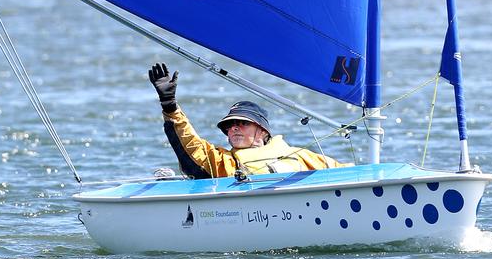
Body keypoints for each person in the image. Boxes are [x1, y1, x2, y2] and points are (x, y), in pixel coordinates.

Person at [149, 62, 348, 179]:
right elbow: (192, 146)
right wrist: (169, 105)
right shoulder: (224, 161)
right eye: (229, 126)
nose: (233, 128)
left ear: (262, 131)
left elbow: (345, 172)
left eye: (242, 123)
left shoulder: (299, 155)